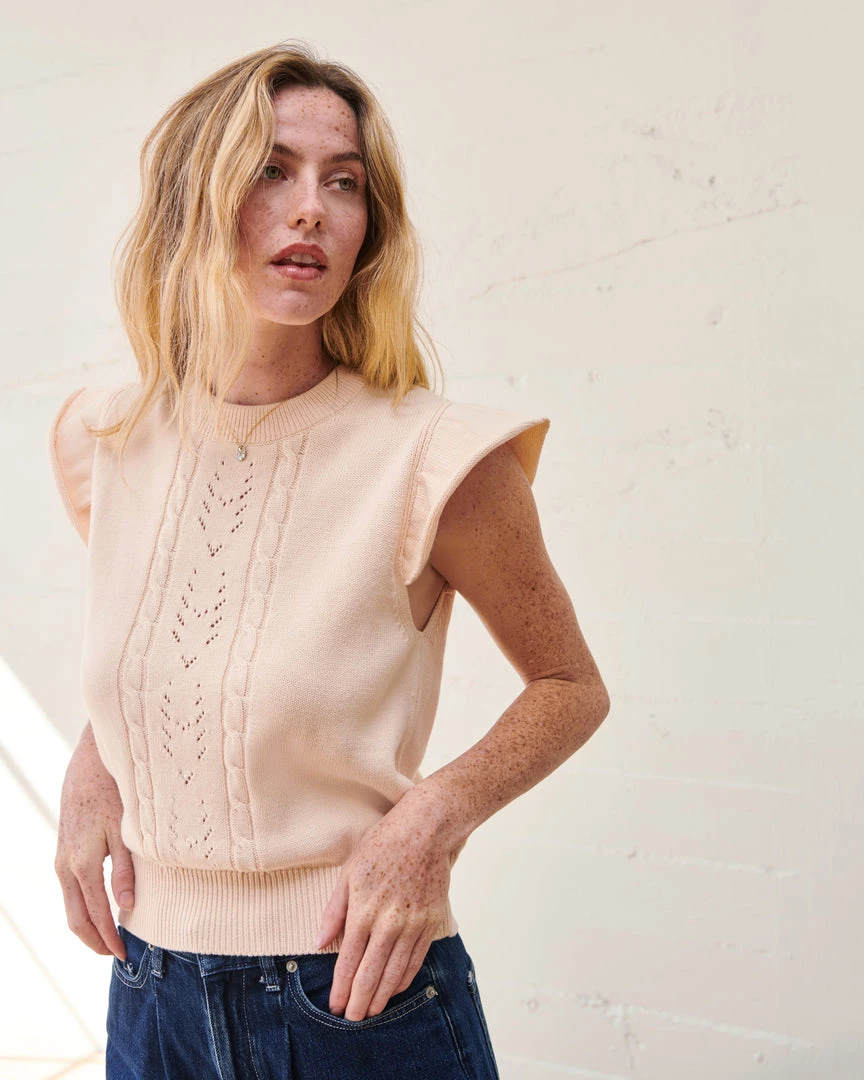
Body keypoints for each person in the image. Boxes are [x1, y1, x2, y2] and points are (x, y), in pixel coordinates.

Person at [48, 40, 610, 1080]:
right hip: (151, 993)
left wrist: (430, 822)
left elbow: (571, 687)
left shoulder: (436, 455)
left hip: (351, 997)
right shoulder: (106, 438)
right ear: (192, 199)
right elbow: (183, 656)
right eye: (272, 170)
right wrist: (92, 773)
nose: (311, 209)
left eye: (342, 182)